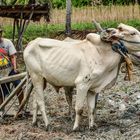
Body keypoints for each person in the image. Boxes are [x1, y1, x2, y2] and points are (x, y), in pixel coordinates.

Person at [0, 27, 24, 116]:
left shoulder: (7, 42)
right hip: (1, 73)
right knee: (1, 92)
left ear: (1, 33)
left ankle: (21, 107)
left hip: (10, 70)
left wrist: (15, 68)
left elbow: (13, 56)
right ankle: (1, 109)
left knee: (19, 86)